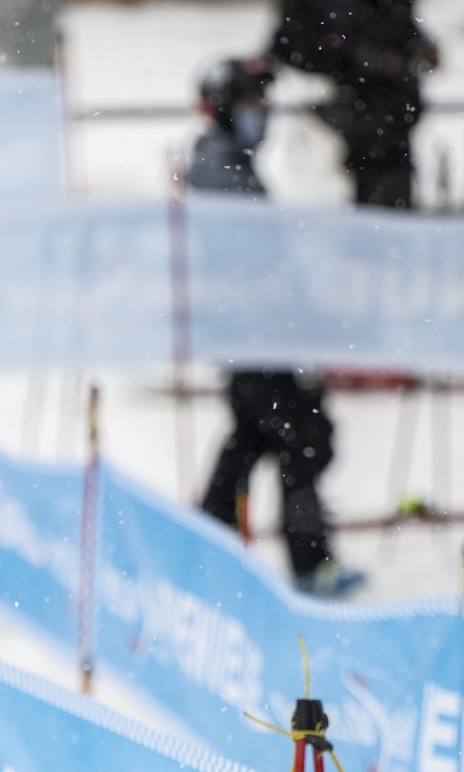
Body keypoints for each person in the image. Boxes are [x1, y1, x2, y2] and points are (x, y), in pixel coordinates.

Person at [188, 57, 364, 598]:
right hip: (253, 335)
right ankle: (309, 562)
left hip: (255, 333)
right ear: (222, 109)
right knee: (300, 438)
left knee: (252, 437)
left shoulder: (228, 163)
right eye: (250, 105)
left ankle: (203, 545)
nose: (260, 116)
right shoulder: (220, 168)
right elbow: (253, 254)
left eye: (262, 105)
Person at [271, 0, 439, 209]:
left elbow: (404, 31)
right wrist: (340, 52)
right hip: (355, 104)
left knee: (393, 179)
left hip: (395, 109)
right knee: (374, 181)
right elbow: (289, 44)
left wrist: (416, 51)